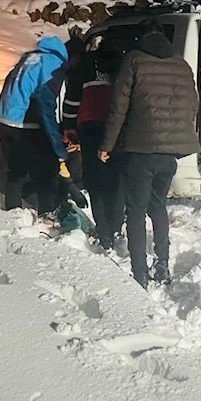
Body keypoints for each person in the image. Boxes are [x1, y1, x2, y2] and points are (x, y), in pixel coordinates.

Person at [99, 20, 200, 289]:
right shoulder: (181, 64)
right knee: (158, 207)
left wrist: (107, 145)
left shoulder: (134, 60)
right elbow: (193, 103)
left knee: (135, 211)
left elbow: (118, 107)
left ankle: (139, 273)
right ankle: (162, 264)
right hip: (170, 154)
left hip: (141, 150)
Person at [0, 34, 85, 215]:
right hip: (24, 122)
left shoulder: (31, 57)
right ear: (73, 57)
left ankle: (13, 212)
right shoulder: (54, 66)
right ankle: (47, 212)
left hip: (3, 119)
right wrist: (58, 146)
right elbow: (45, 106)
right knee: (47, 170)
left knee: (16, 169)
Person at [62, 38, 124, 251]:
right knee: (115, 181)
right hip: (116, 129)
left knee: (95, 183)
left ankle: (105, 234)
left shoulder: (86, 65)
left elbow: (71, 101)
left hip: (89, 129)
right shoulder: (121, 63)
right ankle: (116, 228)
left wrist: (68, 126)